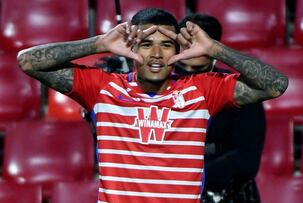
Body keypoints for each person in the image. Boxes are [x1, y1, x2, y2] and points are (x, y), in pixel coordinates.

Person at [17, 8, 288, 203]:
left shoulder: (202, 90)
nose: (156, 54)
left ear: (179, 50)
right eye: (146, 44)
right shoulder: (102, 87)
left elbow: (275, 84)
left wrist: (215, 49)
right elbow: (28, 61)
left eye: (167, 45)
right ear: (132, 46)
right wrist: (99, 43)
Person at [176, 14, 266, 203]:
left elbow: (247, 159)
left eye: (198, 70)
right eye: (182, 67)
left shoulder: (240, 91)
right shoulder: (156, 87)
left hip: (225, 194)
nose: (189, 77)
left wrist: (188, 179)